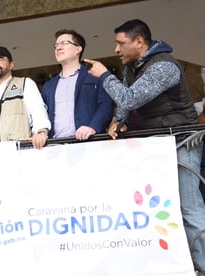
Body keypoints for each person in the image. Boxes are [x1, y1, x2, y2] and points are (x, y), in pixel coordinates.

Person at [85, 19, 205, 274]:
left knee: (190, 209)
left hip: (181, 143)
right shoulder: (134, 66)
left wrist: (105, 75)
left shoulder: (164, 66)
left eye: (120, 43)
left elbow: (130, 96)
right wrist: (120, 121)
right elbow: (128, 103)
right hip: (156, 146)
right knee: (160, 209)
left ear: (139, 42)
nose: (116, 49)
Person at [41, 29, 113, 140]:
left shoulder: (94, 76)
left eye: (64, 43)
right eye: (56, 45)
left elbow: (106, 105)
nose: (58, 48)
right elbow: (43, 116)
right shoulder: (48, 87)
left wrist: (93, 127)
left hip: (90, 141)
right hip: (56, 146)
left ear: (78, 49)